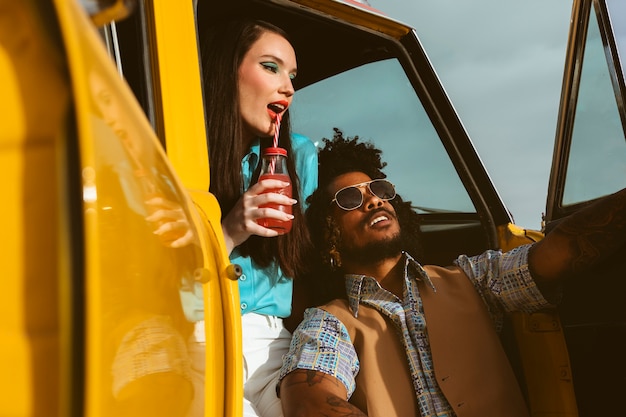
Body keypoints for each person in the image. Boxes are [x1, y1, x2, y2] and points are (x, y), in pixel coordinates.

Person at [277, 129, 626, 417]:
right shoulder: (328, 323)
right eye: (350, 199)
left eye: (380, 190)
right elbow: (309, 400)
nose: (374, 201)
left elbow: (560, 254)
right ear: (326, 234)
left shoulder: (471, 278)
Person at [182, 19, 317, 417]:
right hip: (196, 330)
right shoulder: (182, 154)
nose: (288, 87)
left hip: (272, 341)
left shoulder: (299, 154)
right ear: (228, 71)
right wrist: (228, 230)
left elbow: (303, 271)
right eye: (271, 67)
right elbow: (158, 277)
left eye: (292, 75)